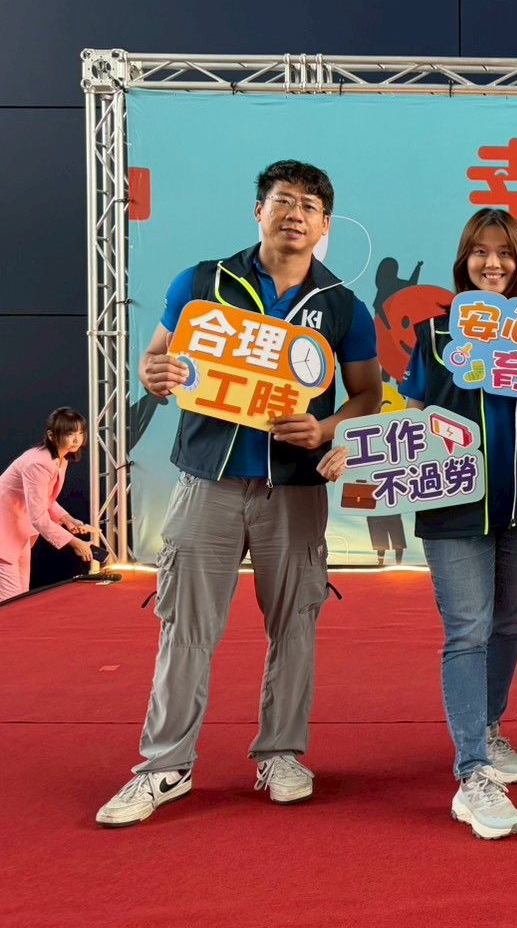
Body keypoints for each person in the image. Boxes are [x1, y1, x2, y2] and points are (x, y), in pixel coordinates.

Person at [96, 160, 383, 827]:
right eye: (283, 201)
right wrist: (154, 371)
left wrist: (325, 428)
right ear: (259, 210)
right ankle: (164, 764)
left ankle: (280, 754)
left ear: (325, 224)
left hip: (295, 489)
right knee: (186, 627)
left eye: (309, 206)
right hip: (208, 480)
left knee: (295, 626)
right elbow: (157, 358)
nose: (295, 214)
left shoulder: (342, 305)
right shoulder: (204, 282)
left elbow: (368, 393)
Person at [324, 207, 517, 840]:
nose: (492, 263)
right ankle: (472, 774)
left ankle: (489, 731)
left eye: (504, 252)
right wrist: (359, 451)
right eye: (480, 251)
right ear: (463, 259)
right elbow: (414, 413)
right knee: (468, 629)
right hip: (453, 503)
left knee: (507, 623)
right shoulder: (436, 333)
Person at [0, 408, 96, 601]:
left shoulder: (59, 459)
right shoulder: (38, 463)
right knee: (11, 600)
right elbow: (38, 518)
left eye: (80, 433)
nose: (76, 439)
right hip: (4, 531)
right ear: (52, 435)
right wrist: (75, 542)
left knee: (20, 596)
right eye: (69, 433)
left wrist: (68, 519)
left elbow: (43, 499)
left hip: (17, 531)